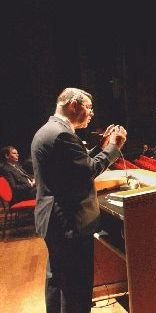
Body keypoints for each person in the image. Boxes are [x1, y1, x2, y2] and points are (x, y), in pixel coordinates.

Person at [31, 88, 127, 313]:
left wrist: (100, 147)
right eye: (88, 107)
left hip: (53, 221)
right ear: (74, 105)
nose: (91, 113)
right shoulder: (62, 134)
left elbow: (73, 166)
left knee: (58, 280)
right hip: (70, 223)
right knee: (76, 288)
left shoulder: (49, 130)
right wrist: (114, 148)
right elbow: (87, 171)